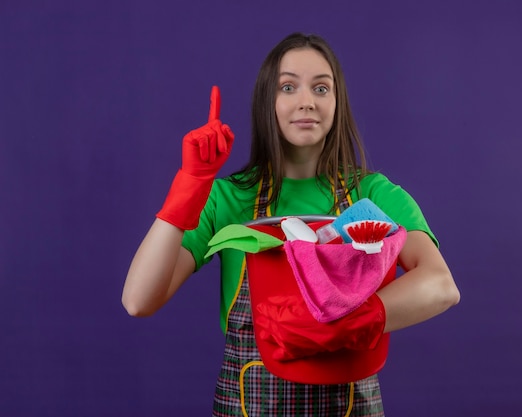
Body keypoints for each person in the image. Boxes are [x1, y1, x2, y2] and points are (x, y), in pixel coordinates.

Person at [122, 32, 460, 416]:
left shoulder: (374, 196)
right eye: (288, 87)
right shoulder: (227, 199)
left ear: (337, 103)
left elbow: (441, 286)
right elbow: (139, 300)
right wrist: (190, 185)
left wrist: (354, 323)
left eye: (321, 88)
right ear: (269, 101)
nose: (307, 102)